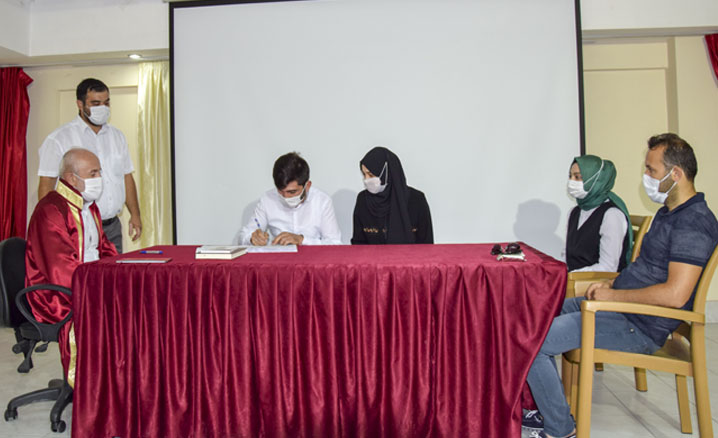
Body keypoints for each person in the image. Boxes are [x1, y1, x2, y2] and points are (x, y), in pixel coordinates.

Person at [525, 133, 718, 438]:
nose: (646, 176)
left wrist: (614, 295)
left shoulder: (693, 222)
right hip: (621, 307)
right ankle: (546, 406)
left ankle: (560, 428)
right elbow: (645, 270)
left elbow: (675, 294)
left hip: (638, 323)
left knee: (533, 341)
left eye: (651, 170)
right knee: (533, 318)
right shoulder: (669, 214)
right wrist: (610, 283)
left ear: (676, 174)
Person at [25, 148, 118, 386]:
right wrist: (100, 289)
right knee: (108, 311)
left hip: (89, 282)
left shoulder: (89, 206)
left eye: (99, 172)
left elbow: (104, 249)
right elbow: (61, 270)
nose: (99, 178)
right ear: (71, 178)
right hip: (56, 294)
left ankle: (120, 383)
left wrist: (121, 275)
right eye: (93, 173)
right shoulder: (51, 210)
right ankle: (91, 389)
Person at [37, 78, 141, 253]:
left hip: (112, 226)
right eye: (96, 103)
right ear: (80, 104)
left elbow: (126, 176)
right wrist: (49, 224)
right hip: (78, 226)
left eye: (106, 103)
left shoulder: (117, 136)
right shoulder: (59, 139)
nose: (103, 108)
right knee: (82, 270)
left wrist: (135, 214)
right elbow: (46, 185)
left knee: (114, 271)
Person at [238, 152, 342, 246]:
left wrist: (302, 240)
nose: (285, 197)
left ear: (307, 186)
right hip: (279, 259)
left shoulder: (322, 201)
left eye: (292, 192)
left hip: (313, 258)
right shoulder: (268, 199)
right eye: (280, 191)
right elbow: (244, 235)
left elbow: (335, 243)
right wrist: (252, 238)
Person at [351, 146, 433, 244]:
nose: (366, 180)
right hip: (371, 254)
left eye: (371, 175)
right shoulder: (363, 200)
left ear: (387, 173)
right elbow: (358, 243)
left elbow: (426, 243)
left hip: (410, 254)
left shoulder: (416, 200)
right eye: (364, 174)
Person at [565, 155, 633, 272]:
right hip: (576, 280)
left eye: (578, 177)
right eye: (570, 176)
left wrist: (571, 277)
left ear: (596, 180)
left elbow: (608, 268)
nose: (571, 181)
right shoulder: (574, 212)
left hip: (600, 281)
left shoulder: (611, 215)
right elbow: (568, 256)